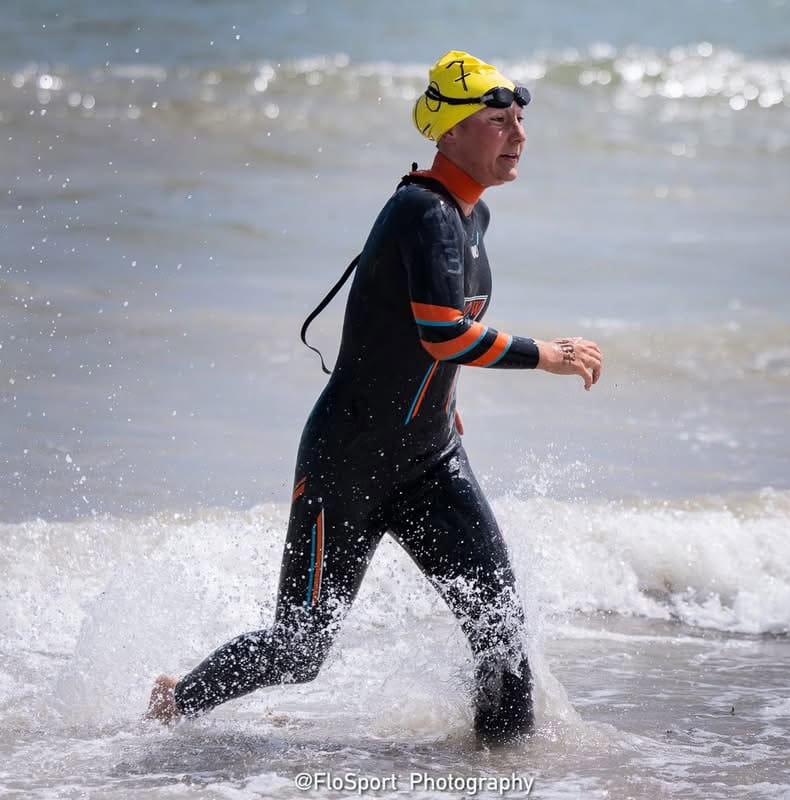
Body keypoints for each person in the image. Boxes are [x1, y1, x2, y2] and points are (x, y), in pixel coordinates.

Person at [146, 50, 603, 744]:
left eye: (519, 121)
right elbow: (446, 333)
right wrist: (549, 354)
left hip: (430, 462)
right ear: (449, 133)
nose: (518, 134)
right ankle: (175, 701)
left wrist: (443, 412)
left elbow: (420, 348)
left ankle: (502, 774)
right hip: (349, 464)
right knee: (299, 650)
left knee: (499, 628)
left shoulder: (471, 219)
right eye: (499, 120)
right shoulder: (423, 212)